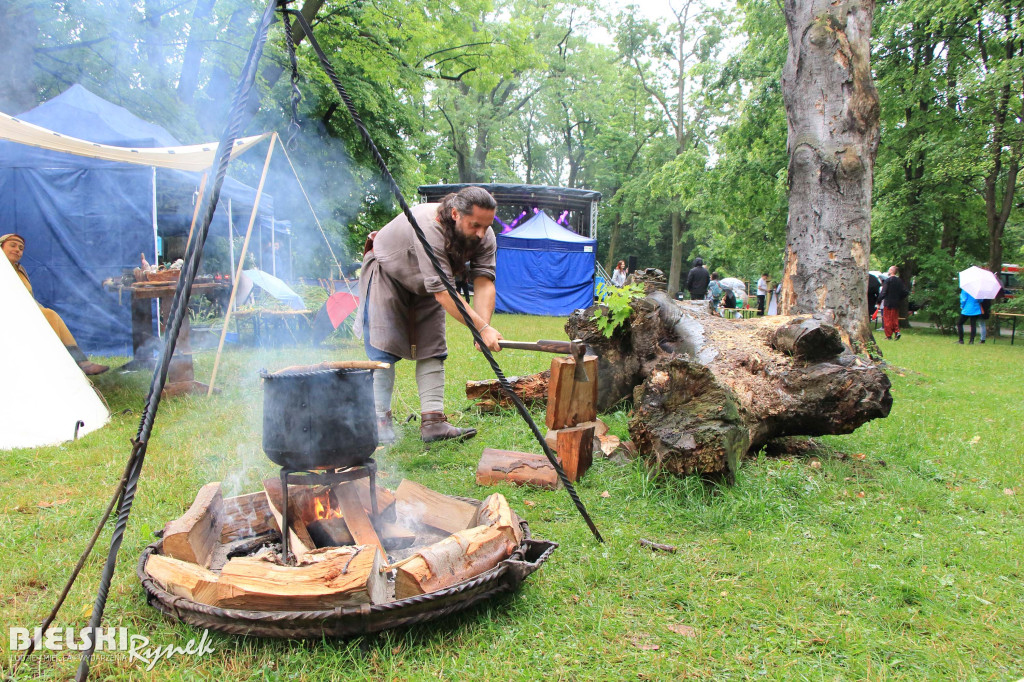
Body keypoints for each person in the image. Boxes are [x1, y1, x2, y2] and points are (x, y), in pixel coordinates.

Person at [355, 187, 503, 444]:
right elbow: (444, 292)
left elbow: (484, 281)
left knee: (433, 346)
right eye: (475, 225)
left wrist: (483, 327)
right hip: (387, 272)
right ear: (455, 214)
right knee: (383, 349)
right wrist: (479, 328)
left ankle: (434, 423)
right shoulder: (428, 226)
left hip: (428, 285)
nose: (482, 234)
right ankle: (378, 423)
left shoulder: (484, 233)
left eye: (487, 226)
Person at [2, 233, 109, 375]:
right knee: (49, 315)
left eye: (21, 248)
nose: (17, 250)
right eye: (13, 245)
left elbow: (28, 298)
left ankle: (78, 362)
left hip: (22, 312)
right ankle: (62, 364)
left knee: (51, 315)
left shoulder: (20, 271)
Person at [878, 265, 908, 340]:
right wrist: (899, 298)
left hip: (888, 303)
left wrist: (879, 301)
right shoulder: (899, 281)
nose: (888, 271)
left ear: (891, 271)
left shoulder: (888, 281)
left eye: (889, 269)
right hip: (896, 303)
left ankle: (888, 336)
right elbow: (905, 292)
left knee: (887, 319)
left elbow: (883, 292)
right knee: (894, 318)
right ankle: (897, 331)